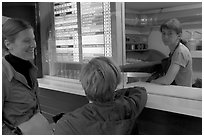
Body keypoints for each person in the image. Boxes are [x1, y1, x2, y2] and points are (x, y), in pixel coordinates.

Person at [52, 56, 147, 135]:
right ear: (116, 83)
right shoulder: (128, 108)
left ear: (84, 85)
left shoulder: (67, 124)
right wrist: (111, 90)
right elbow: (140, 91)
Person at [2, 18, 52, 134]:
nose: (34, 45)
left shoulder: (30, 69)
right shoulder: (3, 75)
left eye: (33, 39)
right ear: (8, 44)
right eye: (26, 41)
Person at [151, 18, 192, 87]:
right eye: (163, 33)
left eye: (170, 34)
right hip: (178, 90)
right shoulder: (175, 50)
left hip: (183, 92)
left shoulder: (180, 52)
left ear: (179, 35)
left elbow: (167, 80)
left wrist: (152, 82)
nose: (165, 37)